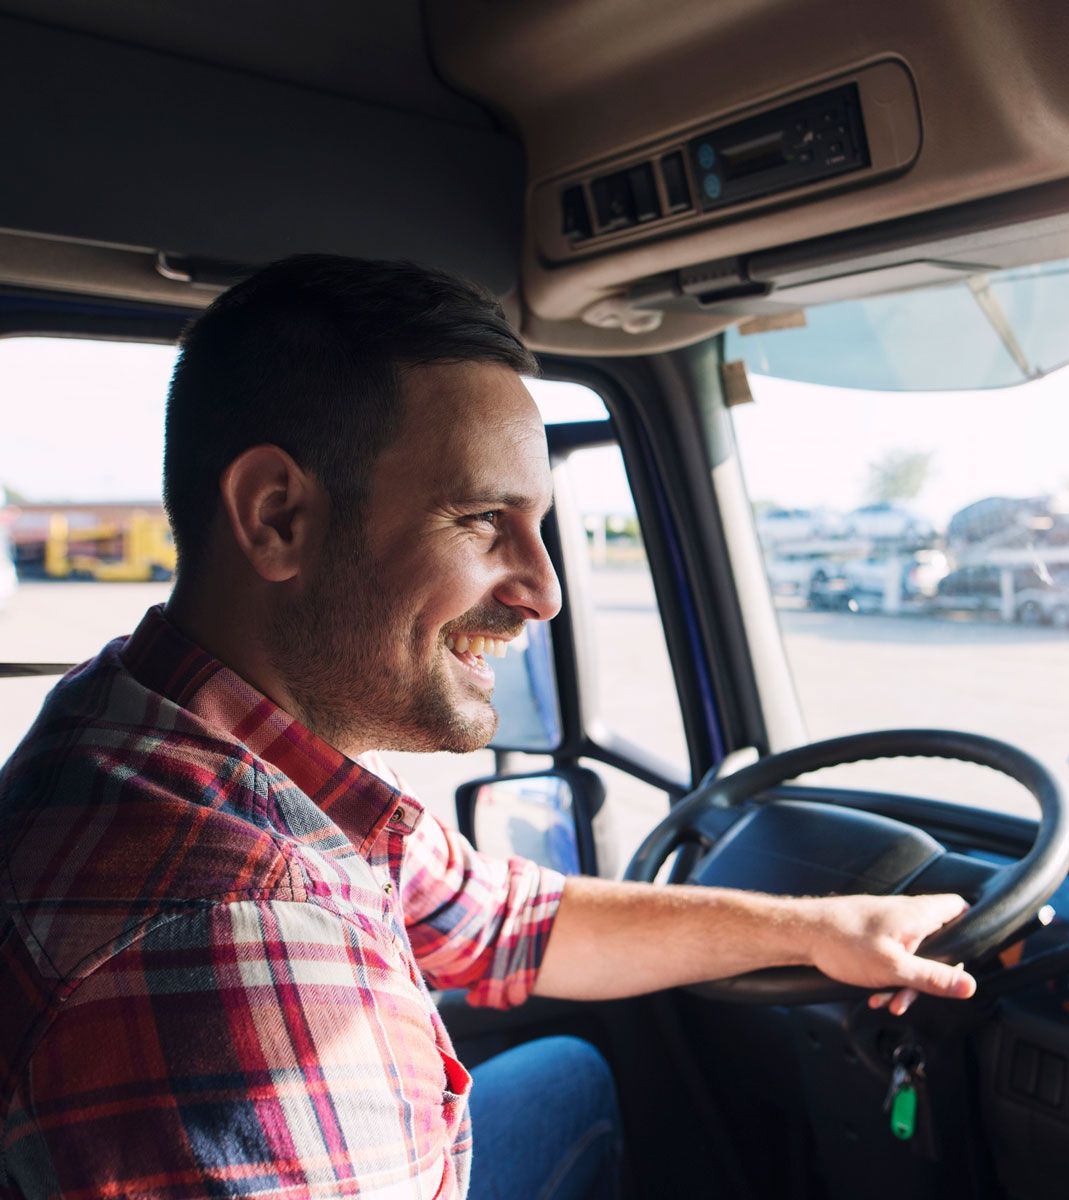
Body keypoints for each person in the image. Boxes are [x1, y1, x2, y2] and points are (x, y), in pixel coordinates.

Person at [0, 256, 976, 1199]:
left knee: (567, 1076)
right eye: (480, 519)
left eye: (542, 525)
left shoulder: (165, 717)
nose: (544, 592)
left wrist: (822, 928)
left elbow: (502, 919)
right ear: (276, 517)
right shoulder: (240, 942)